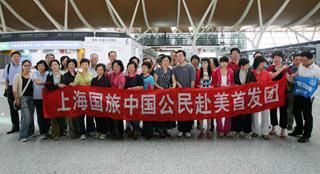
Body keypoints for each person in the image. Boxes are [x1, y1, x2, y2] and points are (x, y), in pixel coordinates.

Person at [289, 51, 320, 143]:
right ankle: (299, 129)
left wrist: (313, 94)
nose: (303, 62)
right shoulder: (301, 66)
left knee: (307, 115)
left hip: (308, 96)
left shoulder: (317, 70)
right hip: (299, 93)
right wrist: (292, 76)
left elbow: (318, 84)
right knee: (296, 111)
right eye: (301, 60)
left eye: (305, 60)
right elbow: (297, 74)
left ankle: (306, 134)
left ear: (311, 59)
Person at [267, 51, 291, 139]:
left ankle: (283, 130)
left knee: (283, 111)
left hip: (284, 93)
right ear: (273, 59)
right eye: (275, 57)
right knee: (272, 110)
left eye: (279, 58)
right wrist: (281, 69)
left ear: (282, 58)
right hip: (273, 92)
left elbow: (289, 79)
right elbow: (271, 77)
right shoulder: (270, 67)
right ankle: (273, 128)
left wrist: (290, 76)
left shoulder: (287, 68)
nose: (277, 59)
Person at [173, 50, 196, 138]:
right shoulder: (175, 68)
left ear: (185, 56)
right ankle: (180, 129)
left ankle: (188, 130)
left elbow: (193, 80)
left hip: (189, 93)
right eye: (177, 56)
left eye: (180, 55)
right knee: (180, 111)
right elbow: (175, 80)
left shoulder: (190, 67)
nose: (179, 57)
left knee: (189, 111)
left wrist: (191, 91)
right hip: (179, 93)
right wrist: (179, 85)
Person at [154, 55, 177, 138]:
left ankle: (165, 129)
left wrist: (173, 87)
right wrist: (160, 88)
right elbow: (154, 82)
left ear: (169, 62)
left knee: (166, 111)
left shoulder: (171, 71)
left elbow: (174, 81)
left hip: (167, 94)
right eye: (164, 60)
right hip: (159, 94)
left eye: (167, 61)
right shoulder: (157, 71)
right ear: (161, 62)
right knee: (159, 111)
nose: (165, 62)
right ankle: (160, 129)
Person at [233, 58, 256, 139]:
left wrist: (251, 85)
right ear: (242, 66)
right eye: (247, 65)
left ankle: (247, 131)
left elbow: (254, 82)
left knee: (247, 114)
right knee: (238, 114)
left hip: (247, 96)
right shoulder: (236, 72)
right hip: (238, 96)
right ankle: (237, 131)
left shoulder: (250, 72)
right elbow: (234, 82)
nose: (248, 66)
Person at [71, 58, 94, 140]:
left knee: (90, 115)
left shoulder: (91, 74)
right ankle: (82, 132)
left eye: (86, 64)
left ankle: (90, 130)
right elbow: (74, 84)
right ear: (81, 65)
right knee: (81, 116)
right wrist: (70, 85)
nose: (85, 66)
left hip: (90, 97)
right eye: (83, 64)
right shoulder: (78, 75)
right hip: (81, 97)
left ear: (89, 65)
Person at [13, 60, 34, 142]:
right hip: (23, 98)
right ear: (22, 66)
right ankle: (22, 136)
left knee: (31, 117)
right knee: (26, 117)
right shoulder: (17, 76)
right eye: (25, 65)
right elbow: (14, 89)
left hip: (32, 98)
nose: (27, 67)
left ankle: (30, 133)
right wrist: (16, 99)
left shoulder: (32, 75)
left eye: (29, 65)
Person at [251, 56, 272, 140]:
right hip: (254, 96)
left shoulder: (266, 73)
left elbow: (270, 84)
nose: (263, 65)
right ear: (257, 63)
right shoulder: (251, 72)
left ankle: (265, 132)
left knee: (265, 114)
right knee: (254, 115)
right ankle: (255, 131)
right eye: (262, 63)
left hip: (264, 97)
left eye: (264, 63)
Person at [213, 56, 234, 138]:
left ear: (227, 63)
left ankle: (227, 129)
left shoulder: (231, 71)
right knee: (218, 112)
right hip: (218, 94)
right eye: (222, 62)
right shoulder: (216, 71)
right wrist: (219, 85)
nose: (224, 64)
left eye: (225, 62)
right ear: (220, 63)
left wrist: (229, 86)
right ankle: (219, 129)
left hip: (228, 94)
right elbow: (214, 83)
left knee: (228, 112)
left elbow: (233, 82)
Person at [45, 60, 66, 140]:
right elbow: (48, 87)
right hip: (52, 98)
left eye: (56, 64)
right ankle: (55, 133)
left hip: (62, 98)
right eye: (52, 65)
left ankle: (62, 131)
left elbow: (65, 85)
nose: (54, 66)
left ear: (59, 65)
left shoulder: (63, 74)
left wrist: (60, 86)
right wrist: (57, 86)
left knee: (62, 115)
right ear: (51, 67)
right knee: (54, 115)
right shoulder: (49, 75)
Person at [2, 51, 21, 134]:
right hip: (10, 88)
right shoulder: (8, 66)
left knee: (23, 108)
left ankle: (24, 126)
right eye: (14, 56)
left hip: (21, 88)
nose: (16, 58)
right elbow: (6, 79)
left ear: (20, 58)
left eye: (17, 56)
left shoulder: (22, 66)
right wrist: (7, 89)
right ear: (11, 58)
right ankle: (15, 127)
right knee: (12, 108)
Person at [91, 63, 111, 140]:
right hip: (95, 101)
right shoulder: (93, 80)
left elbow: (107, 90)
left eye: (101, 70)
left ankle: (104, 132)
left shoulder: (106, 80)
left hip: (103, 101)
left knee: (103, 117)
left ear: (104, 71)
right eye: (98, 70)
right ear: (96, 70)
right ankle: (98, 131)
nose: (99, 71)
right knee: (97, 117)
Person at [124, 61, 144, 140]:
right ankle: (136, 129)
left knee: (136, 115)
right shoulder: (125, 77)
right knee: (129, 115)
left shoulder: (138, 77)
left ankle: (136, 130)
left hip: (137, 99)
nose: (130, 68)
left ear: (135, 68)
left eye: (132, 67)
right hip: (127, 100)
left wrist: (131, 89)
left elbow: (142, 87)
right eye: (129, 67)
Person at [61, 59, 79, 139]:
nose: (71, 66)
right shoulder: (65, 75)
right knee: (70, 116)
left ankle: (79, 131)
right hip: (69, 99)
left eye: (73, 64)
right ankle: (72, 133)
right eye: (70, 64)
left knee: (78, 116)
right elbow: (63, 86)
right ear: (67, 66)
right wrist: (69, 84)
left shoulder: (78, 74)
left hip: (78, 98)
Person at [196, 58, 214, 139]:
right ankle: (201, 130)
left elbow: (215, 83)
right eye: (202, 63)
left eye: (205, 63)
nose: (203, 64)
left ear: (208, 64)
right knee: (201, 113)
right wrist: (200, 87)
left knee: (210, 113)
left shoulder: (212, 73)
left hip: (210, 96)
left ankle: (208, 130)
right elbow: (196, 83)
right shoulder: (198, 73)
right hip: (200, 95)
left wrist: (211, 87)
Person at [107, 60, 126, 139]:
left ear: (120, 67)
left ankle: (120, 133)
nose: (115, 68)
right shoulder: (111, 74)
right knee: (111, 115)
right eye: (114, 66)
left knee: (118, 116)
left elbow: (120, 88)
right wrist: (107, 69)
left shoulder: (122, 76)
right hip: (110, 98)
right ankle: (112, 132)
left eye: (117, 66)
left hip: (118, 98)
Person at [32, 60, 50, 140]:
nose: (41, 67)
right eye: (39, 66)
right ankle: (42, 132)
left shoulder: (48, 73)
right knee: (40, 115)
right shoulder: (35, 73)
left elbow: (51, 83)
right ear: (37, 66)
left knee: (47, 114)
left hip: (47, 98)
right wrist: (47, 83)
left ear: (45, 66)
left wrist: (46, 83)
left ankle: (47, 130)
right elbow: (37, 82)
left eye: (42, 65)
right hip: (37, 97)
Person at [141, 61, 155, 140]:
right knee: (143, 117)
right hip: (141, 99)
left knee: (148, 117)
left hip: (148, 99)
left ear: (149, 69)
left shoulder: (151, 78)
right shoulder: (141, 76)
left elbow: (152, 89)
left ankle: (149, 133)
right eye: (142, 68)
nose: (143, 69)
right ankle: (144, 131)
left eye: (145, 68)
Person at [287, 54, 301, 130]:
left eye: (299, 59)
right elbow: (289, 79)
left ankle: (300, 126)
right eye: (296, 59)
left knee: (301, 109)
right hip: (292, 90)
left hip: (303, 91)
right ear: (292, 60)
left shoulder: (305, 68)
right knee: (290, 108)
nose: (298, 61)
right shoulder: (289, 68)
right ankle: (289, 124)